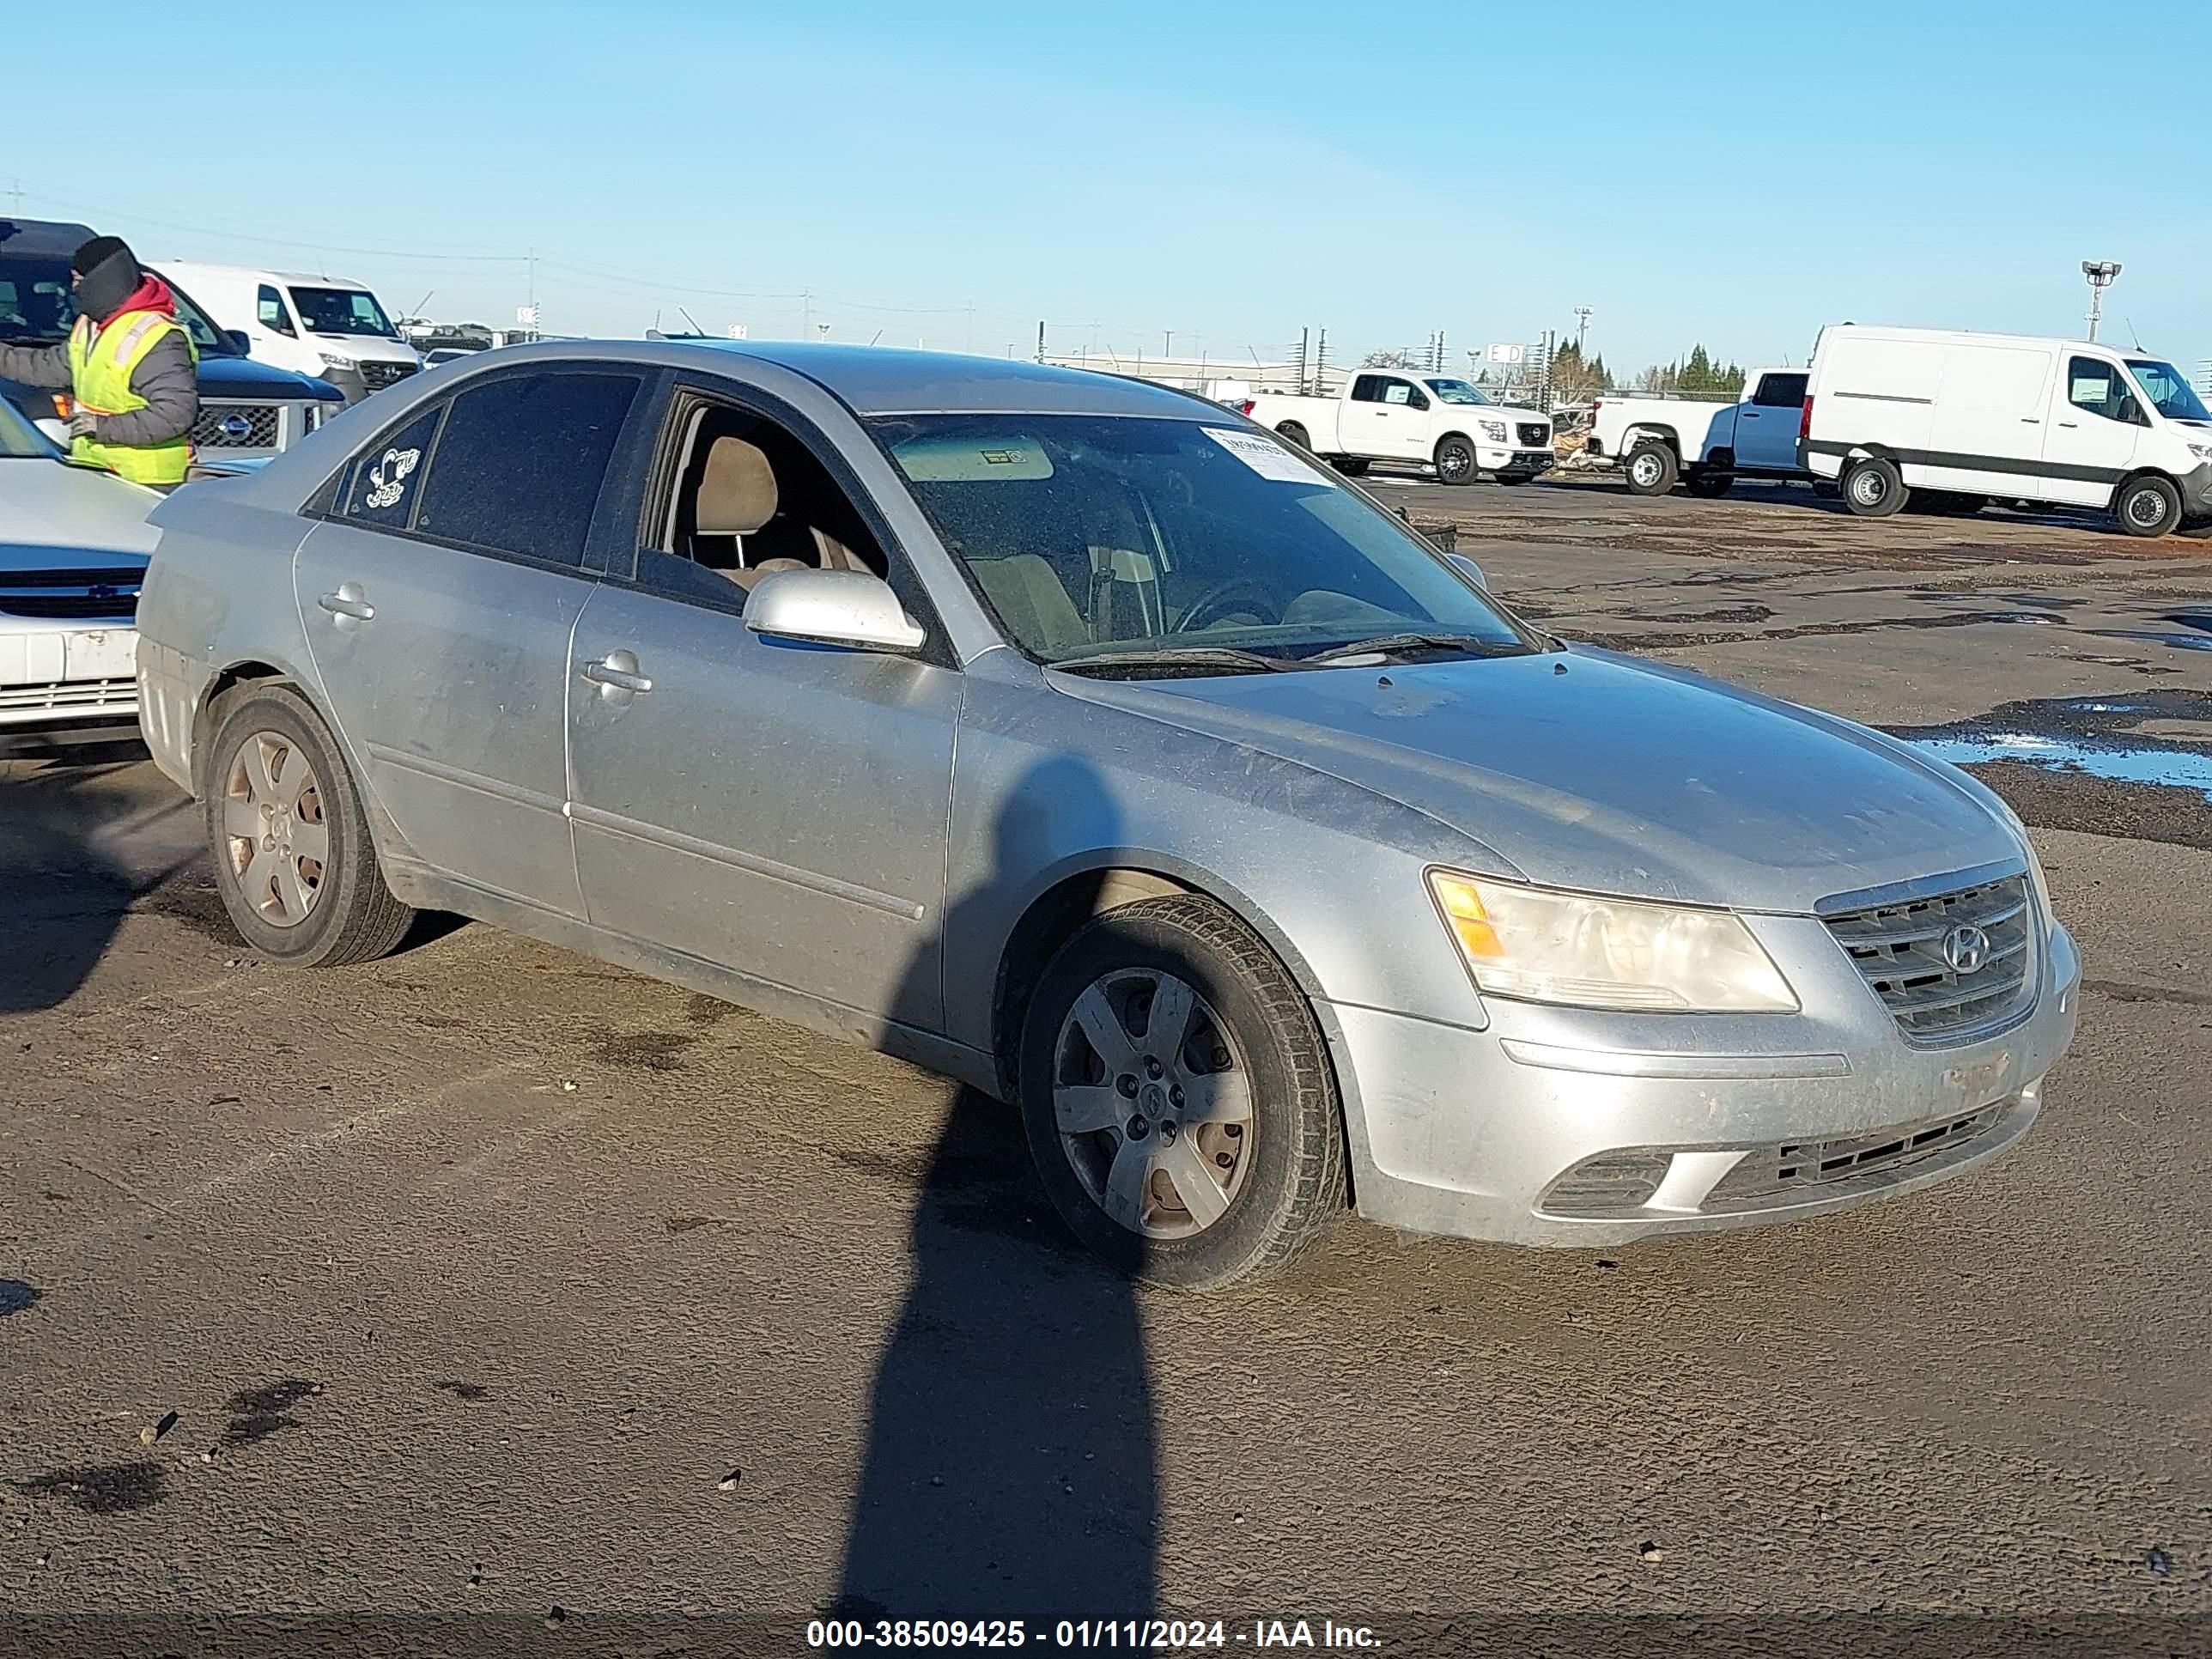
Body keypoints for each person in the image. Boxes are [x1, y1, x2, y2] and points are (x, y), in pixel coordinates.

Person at [0, 236, 198, 488]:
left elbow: (174, 414)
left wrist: (100, 426)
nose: (73, 288)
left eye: (79, 280)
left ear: (104, 281)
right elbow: (47, 367)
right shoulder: (92, 326)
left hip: (148, 482)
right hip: (97, 470)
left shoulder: (156, 337)